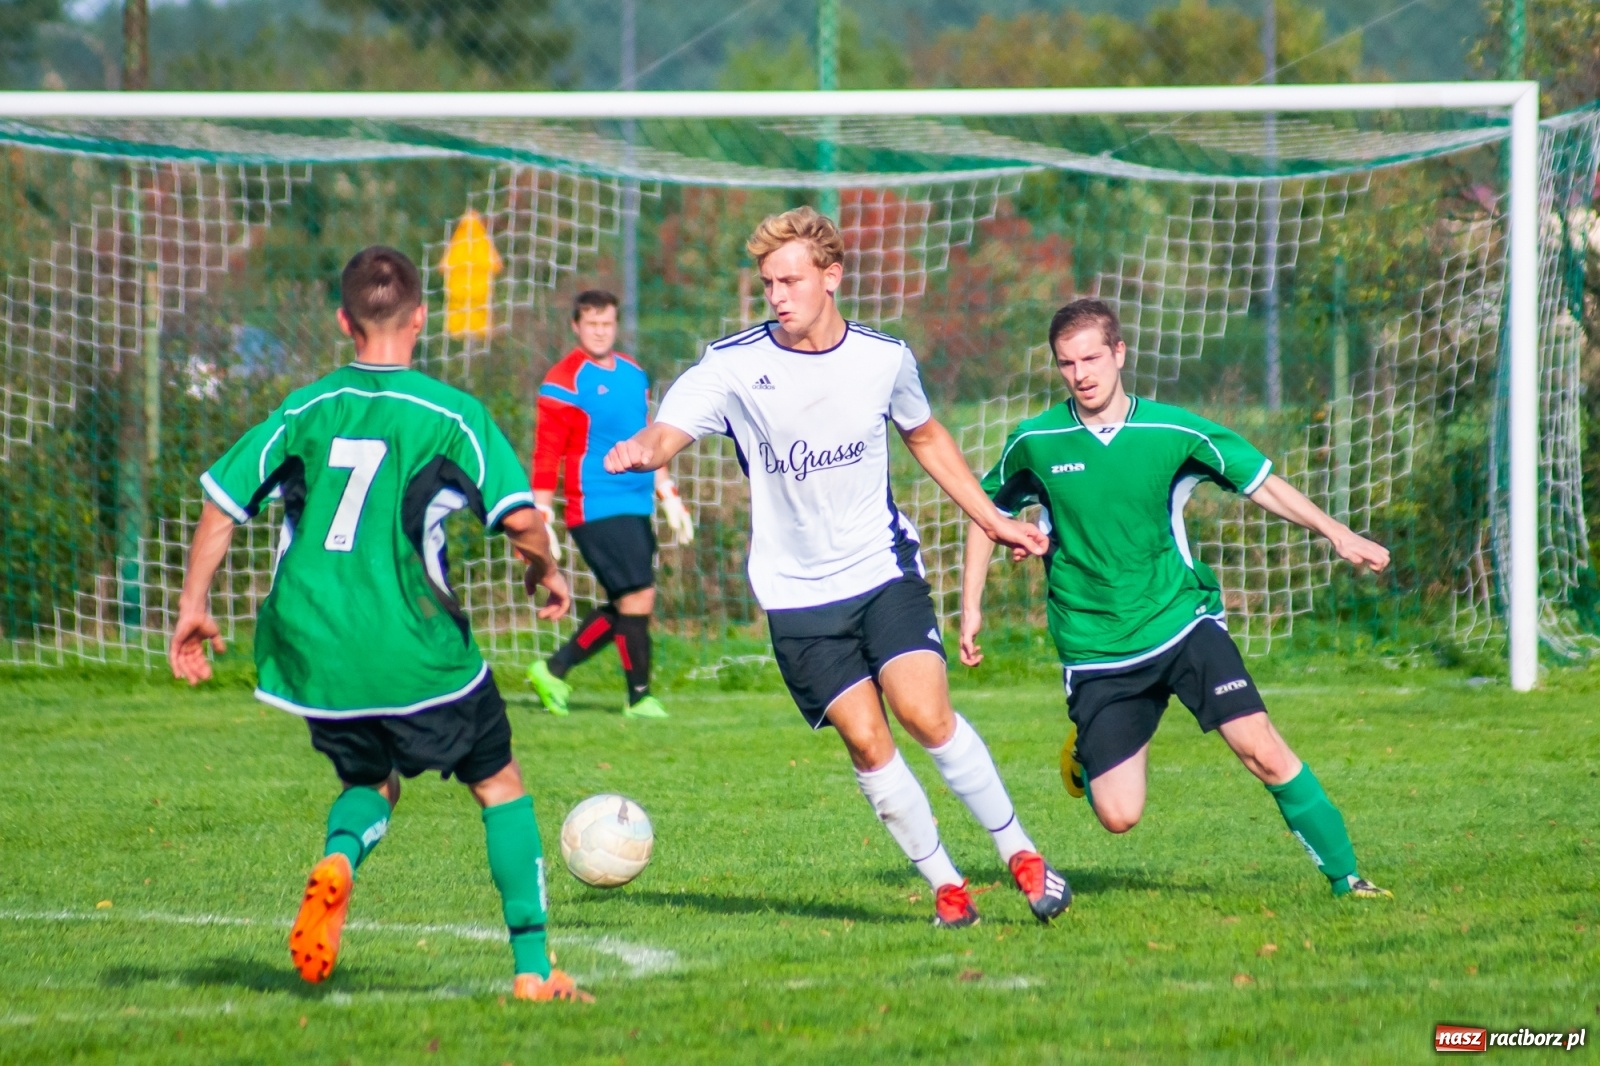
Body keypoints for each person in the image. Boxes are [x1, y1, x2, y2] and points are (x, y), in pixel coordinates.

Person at [604, 207, 1072, 928]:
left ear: (832, 276)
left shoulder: (883, 359)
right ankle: (948, 885)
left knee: (924, 712)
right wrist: (649, 447)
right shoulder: (732, 365)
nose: (778, 295)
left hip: (880, 568)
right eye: (768, 283)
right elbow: (672, 424)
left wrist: (995, 518)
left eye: (791, 279)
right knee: (866, 740)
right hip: (795, 596)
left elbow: (926, 435)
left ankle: (1022, 854)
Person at [168, 246, 591, 1000]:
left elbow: (222, 504)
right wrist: (545, 568)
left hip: (314, 651)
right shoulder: (450, 414)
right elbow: (521, 518)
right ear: (422, 316)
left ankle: (338, 859)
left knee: (372, 776)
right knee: (497, 781)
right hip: (412, 646)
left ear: (343, 321)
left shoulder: (304, 409)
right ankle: (534, 969)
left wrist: (193, 606)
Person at [960, 297, 1393, 900]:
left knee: (1261, 747)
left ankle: (1348, 878)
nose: (1081, 374)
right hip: (1097, 646)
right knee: (1119, 815)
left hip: (1183, 622)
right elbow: (986, 514)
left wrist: (1337, 533)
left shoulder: (1174, 431)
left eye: (1091, 358)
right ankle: (1087, 753)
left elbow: (1260, 482)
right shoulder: (1036, 441)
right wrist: (972, 606)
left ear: (1119, 354)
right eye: (1066, 363)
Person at [524, 290, 693, 720]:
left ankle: (553, 669)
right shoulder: (563, 380)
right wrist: (542, 516)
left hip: (636, 503)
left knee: (629, 600)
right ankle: (639, 698)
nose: (600, 331)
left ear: (615, 325)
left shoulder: (634, 375)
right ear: (577, 326)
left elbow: (647, 437)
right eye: (592, 324)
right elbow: (547, 455)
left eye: (607, 324)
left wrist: (668, 493)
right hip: (594, 504)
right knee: (638, 594)